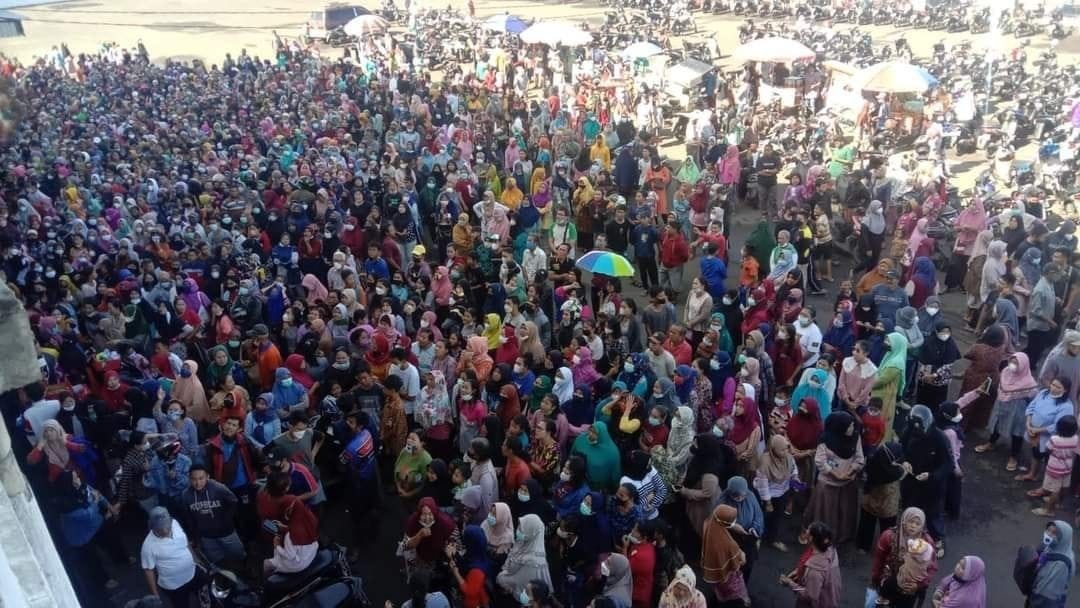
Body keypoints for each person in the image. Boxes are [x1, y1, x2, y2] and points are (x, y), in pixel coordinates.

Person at [802, 410, 865, 545]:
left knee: (844, 512)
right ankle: (821, 537)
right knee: (826, 513)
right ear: (839, 427)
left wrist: (850, 472)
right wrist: (836, 474)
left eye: (852, 425)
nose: (852, 428)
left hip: (847, 482)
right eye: (849, 426)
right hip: (828, 483)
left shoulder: (855, 437)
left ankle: (842, 536)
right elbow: (820, 461)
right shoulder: (825, 440)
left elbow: (859, 458)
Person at [871, 507, 938, 608]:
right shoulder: (889, 536)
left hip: (910, 585)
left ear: (922, 526)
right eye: (910, 521)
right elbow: (879, 559)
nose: (913, 526)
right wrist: (876, 578)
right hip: (889, 580)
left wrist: (919, 585)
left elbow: (932, 567)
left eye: (917, 523)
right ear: (903, 521)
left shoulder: (927, 542)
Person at [140, 507, 200, 608]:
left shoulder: (175, 523)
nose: (164, 531)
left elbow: (184, 540)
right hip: (174, 586)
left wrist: (195, 558)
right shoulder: (148, 546)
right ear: (152, 527)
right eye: (160, 528)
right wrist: (155, 595)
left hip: (193, 573)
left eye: (166, 526)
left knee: (204, 597)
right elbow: (148, 570)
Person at [781, 521, 842, 608]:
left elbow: (809, 596)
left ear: (811, 538)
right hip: (830, 598)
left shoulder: (815, 571)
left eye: (807, 530)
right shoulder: (830, 551)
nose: (805, 531)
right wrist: (797, 572)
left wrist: (790, 583)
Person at [700, 504, 749, 606]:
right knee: (734, 591)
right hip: (728, 575)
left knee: (720, 590)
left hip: (715, 570)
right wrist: (741, 554)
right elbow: (740, 560)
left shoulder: (709, 523)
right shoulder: (727, 544)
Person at [1026, 520, 1074, 608]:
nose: (1049, 534)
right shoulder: (1056, 547)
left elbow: (1046, 594)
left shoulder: (1060, 565)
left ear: (1063, 538)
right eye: (1048, 530)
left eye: (1054, 533)